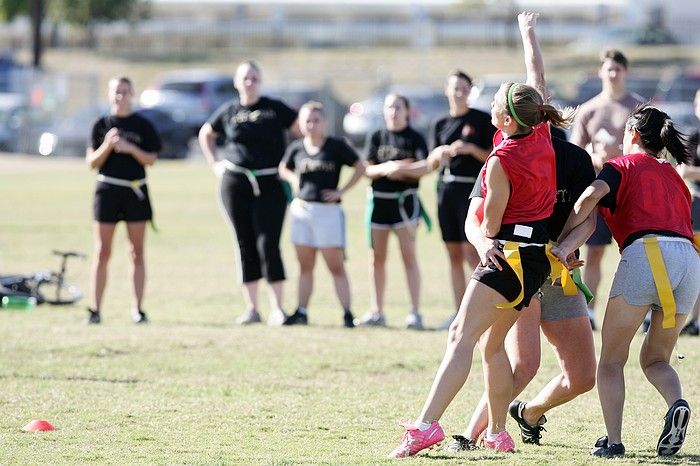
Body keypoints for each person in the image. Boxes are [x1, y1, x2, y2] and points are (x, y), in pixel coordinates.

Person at [388, 12, 576, 457]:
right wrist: (528, 34)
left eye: (494, 103)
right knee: (493, 347)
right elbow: (538, 77)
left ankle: (426, 426)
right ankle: (496, 432)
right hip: (534, 262)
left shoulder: (500, 160)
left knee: (460, 335)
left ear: (507, 120)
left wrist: (486, 231)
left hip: (507, 255)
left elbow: (490, 226)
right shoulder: (541, 132)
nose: (488, 104)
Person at [554, 105, 700, 457]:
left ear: (632, 135)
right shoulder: (674, 175)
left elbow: (590, 196)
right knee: (655, 359)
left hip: (646, 254)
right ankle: (676, 402)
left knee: (611, 360)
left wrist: (562, 239)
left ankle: (614, 442)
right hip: (688, 262)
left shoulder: (621, 165)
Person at [445, 134, 597, 451]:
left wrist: (567, 246)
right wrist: (483, 243)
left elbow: (589, 219)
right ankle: (470, 436)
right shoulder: (506, 154)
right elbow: (474, 217)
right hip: (520, 267)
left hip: (560, 272)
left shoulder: (575, 158)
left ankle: (528, 413)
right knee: (524, 365)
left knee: (583, 377)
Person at [198, 60, 300, 325]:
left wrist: (292, 163)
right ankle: (252, 308)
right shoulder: (229, 111)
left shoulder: (273, 108)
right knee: (244, 242)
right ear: (236, 82)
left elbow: (301, 131)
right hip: (236, 182)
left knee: (268, 243)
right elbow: (206, 133)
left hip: (270, 182)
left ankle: (278, 308)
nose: (250, 83)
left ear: (261, 81)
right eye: (245, 78)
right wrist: (215, 164)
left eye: (254, 78)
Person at [570, 49, 645, 330]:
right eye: (608, 69)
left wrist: (622, 159)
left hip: (630, 190)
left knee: (637, 251)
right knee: (595, 251)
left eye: (618, 69)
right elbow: (575, 153)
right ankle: (588, 311)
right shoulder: (588, 110)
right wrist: (594, 157)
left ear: (626, 72)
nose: (613, 74)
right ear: (601, 72)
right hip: (599, 188)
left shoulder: (637, 107)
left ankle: (645, 314)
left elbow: (649, 149)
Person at [277, 101, 365, 328]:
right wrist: (293, 179)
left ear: (324, 122)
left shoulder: (335, 146)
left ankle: (347, 313)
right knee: (305, 266)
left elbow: (360, 166)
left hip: (328, 212)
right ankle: (301, 311)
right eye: (307, 120)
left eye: (316, 120)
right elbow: (283, 167)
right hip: (302, 210)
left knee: (335, 265)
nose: (311, 124)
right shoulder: (296, 147)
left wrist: (341, 191)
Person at [85, 76, 161, 325]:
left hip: (135, 192)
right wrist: (108, 145)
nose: (121, 96)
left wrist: (131, 149)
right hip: (107, 192)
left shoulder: (143, 125)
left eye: (126, 92)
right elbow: (91, 163)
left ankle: (138, 309)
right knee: (102, 251)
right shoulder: (101, 124)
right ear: (110, 94)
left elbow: (151, 159)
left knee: (136, 252)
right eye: (117, 92)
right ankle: (95, 310)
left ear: (133, 94)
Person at [354, 93, 430, 329]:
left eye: (398, 107)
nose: (393, 112)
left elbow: (425, 167)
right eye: (389, 107)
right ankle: (377, 312)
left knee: (408, 256)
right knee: (376, 258)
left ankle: (415, 312)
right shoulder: (377, 136)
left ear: (407, 111)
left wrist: (402, 169)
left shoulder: (414, 137)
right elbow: (367, 169)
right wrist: (388, 168)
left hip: (405, 205)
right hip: (379, 204)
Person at [430, 70, 497, 329]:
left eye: (463, 88)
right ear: (446, 90)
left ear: (470, 91)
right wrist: (440, 154)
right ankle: (458, 312)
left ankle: (482, 309)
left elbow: (496, 156)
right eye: (454, 87)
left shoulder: (481, 120)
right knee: (453, 253)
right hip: (446, 191)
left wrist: (471, 149)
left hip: (474, 193)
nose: (458, 92)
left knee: (474, 252)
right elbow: (430, 162)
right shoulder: (440, 123)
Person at [677, 88, 700, 336]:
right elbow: (685, 171)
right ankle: (694, 319)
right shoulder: (694, 136)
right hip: (698, 207)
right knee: (694, 265)